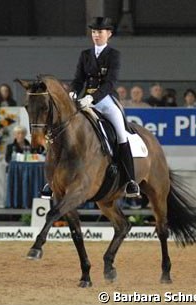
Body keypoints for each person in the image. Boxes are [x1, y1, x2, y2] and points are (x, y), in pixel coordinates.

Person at [69, 17, 140, 197]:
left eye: (100, 32)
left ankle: (130, 181)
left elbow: (110, 82)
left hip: (105, 99)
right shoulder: (85, 54)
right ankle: (54, 180)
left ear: (109, 34)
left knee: (121, 133)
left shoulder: (113, 54)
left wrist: (92, 98)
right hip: (85, 98)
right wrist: (73, 92)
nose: (96, 35)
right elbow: (78, 79)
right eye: (94, 32)